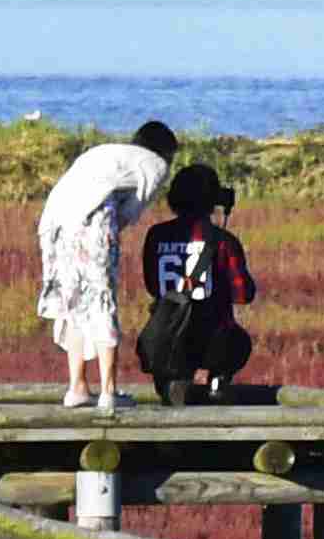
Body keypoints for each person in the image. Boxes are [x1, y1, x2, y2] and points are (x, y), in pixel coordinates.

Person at [37, 118, 180, 407]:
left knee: (72, 303)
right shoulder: (155, 164)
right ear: (165, 151)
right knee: (102, 299)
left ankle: (77, 388)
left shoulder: (108, 152)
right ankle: (108, 391)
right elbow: (130, 211)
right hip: (90, 222)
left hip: (53, 223)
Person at [130, 163, 261, 406]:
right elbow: (243, 294)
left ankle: (173, 383)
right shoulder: (222, 241)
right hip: (213, 340)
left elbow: (152, 286)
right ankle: (215, 382)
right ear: (212, 199)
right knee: (238, 342)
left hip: (166, 338)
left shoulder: (156, 235)